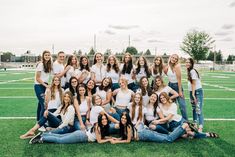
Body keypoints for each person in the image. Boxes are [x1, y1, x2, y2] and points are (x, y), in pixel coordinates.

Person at [110, 112, 218, 144]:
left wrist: (117, 141)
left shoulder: (128, 126)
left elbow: (128, 140)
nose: (123, 120)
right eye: (122, 118)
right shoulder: (124, 126)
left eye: (125, 118)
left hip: (144, 135)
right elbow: (126, 137)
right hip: (143, 132)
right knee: (181, 136)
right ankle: (198, 134)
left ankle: (184, 126)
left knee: (168, 139)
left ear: (127, 119)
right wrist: (117, 139)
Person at [29, 113, 117, 144]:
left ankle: (43, 134)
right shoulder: (98, 126)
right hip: (81, 136)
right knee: (61, 140)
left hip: (81, 134)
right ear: (100, 120)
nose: (105, 120)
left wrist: (110, 138)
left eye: (105, 119)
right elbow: (99, 140)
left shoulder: (101, 126)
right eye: (103, 119)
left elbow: (101, 137)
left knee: (60, 137)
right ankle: (42, 138)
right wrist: (109, 140)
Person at [165, 54, 188, 120]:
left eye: (176, 58)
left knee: (182, 105)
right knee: (172, 105)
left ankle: (186, 122)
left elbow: (179, 80)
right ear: (170, 58)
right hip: (170, 86)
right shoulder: (167, 67)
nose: (174, 59)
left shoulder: (177, 67)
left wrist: (180, 91)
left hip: (177, 86)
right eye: (173, 57)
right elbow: (168, 76)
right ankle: (174, 120)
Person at [186, 58, 204, 132]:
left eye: (189, 62)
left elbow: (194, 83)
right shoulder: (189, 71)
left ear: (191, 64)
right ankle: (195, 124)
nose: (187, 63)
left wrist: (193, 94)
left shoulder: (193, 71)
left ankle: (200, 127)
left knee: (198, 109)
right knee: (194, 109)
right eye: (186, 62)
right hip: (192, 92)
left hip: (197, 92)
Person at [34, 50, 52, 121]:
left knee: (40, 105)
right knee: (44, 104)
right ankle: (41, 124)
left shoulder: (48, 64)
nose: (47, 56)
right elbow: (37, 78)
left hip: (44, 85)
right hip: (39, 86)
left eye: (48, 55)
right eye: (46, 55)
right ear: (43, 56)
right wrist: (46, 85)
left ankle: (38, 121)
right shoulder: (41, 65)